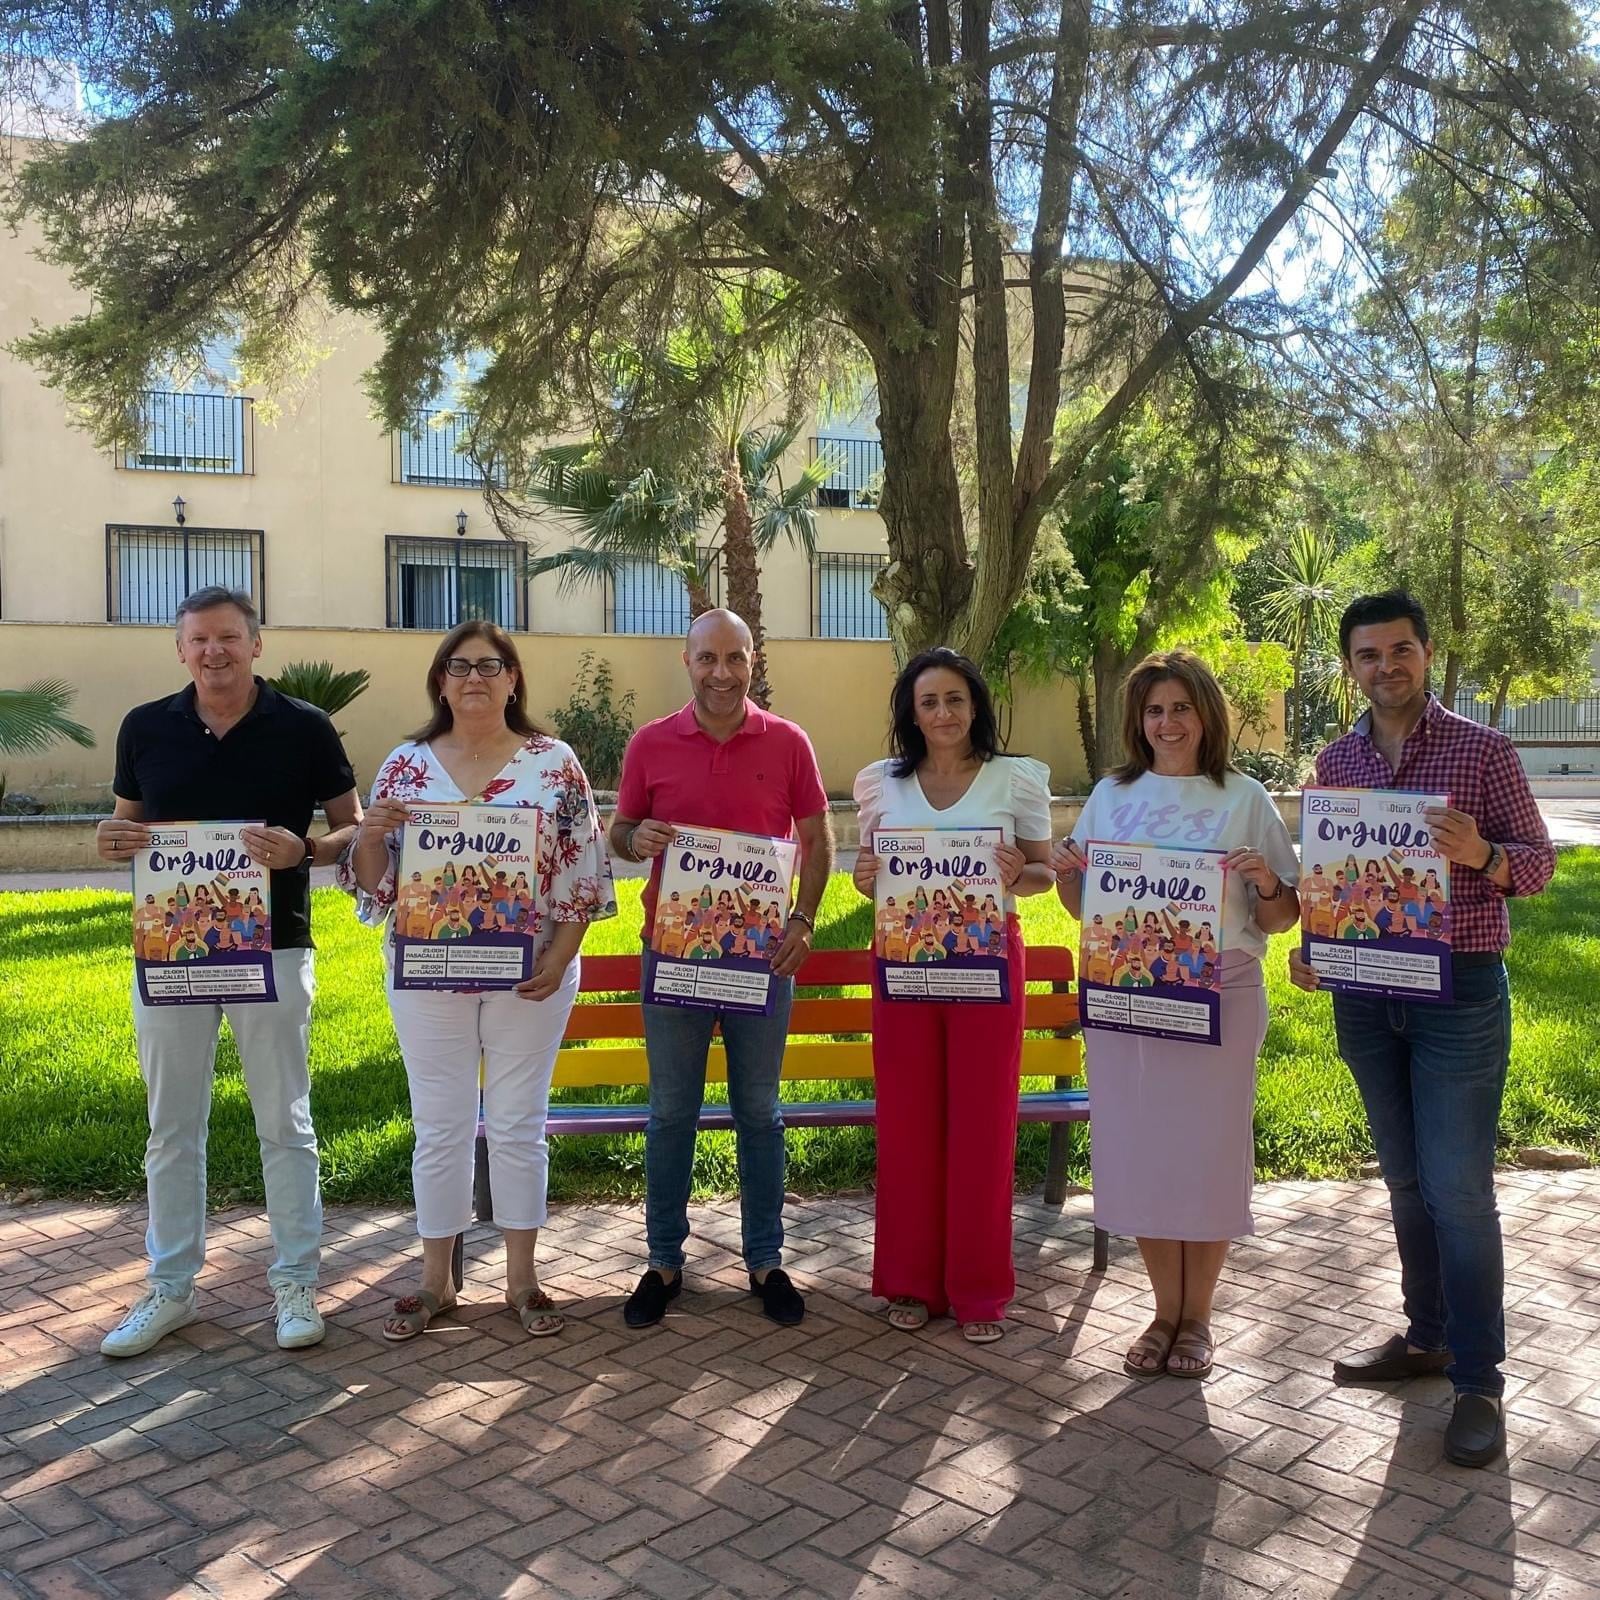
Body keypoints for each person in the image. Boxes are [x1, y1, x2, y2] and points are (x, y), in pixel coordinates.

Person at [1290, 590, 1556, 1467]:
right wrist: (1313, 946)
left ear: (1427, 653)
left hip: (1460, 995)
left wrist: (1482, 855)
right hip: (1366, 995)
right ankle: (1427, 1338)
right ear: (1350, 668)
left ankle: (1479, 1381)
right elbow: (1331, 885)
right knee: (1405, 1182)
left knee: (1460, 1191)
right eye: (1368, 655)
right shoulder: (1335, 763)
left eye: (1400, 650)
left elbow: (1543, 864)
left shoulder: (1485, 751)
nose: (1386, 667)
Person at [96, 586, 361, 1357]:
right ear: (181, 650)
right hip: (172, 950)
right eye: (199, 640)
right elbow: (127, 823)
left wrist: (307, 850)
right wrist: (112, 837)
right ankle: (170, 1287)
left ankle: (294, 1283)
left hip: (274, 945)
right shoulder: (146, 726)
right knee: (171, 1125)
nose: (214, 652)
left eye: (228, 639)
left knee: (285, 1119)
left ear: (256, 645)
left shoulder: (304, 726)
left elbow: (353, 826)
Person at [344, 621, 616, 1342]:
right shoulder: (405, 766)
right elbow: (377, 888)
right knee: (440, 1123)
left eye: (490, 666)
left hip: (528, 970)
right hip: (428, 971)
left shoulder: (554, 764)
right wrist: (371, 834)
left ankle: (523, 1278)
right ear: (439, 681)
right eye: (459, 667)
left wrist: (560, 958)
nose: (474, 678)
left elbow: (583, 870)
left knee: (520, 1121)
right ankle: (435, 1280)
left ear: (513, 679)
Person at [1053, 650, 1300, 1380]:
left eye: (1181, 709)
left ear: (1206, 716)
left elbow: (1283, 917)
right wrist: (1072, 879)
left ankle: (1199, 1319)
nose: (1168, 723)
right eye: (1155, 711)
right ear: (1139, 721)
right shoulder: (1110, 794)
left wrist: (1262, 882)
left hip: (1220, 992)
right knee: (1145, 1153)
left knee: (1208, 1152)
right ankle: (1163, 1312)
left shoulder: (1244, 796)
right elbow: (1081, 909)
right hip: (1129, 996)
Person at [611, 609, 834, 1329]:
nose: (721, 673)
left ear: (751, 661)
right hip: (672, 957)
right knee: (670, 1113)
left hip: (760, 960)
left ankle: (766, 1259)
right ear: (687, 661)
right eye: (707, 658)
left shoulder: (789, 742)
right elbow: (619, 831)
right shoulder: (650, 743)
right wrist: (634, 836)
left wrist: (803, 919)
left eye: (734, 658)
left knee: (759, 1114)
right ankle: (664, 1261)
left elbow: (819, 838)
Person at [852, 647, 1054, 1344]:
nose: (943, 713)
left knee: (983, 1127)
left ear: (977, 708)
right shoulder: (881, 783)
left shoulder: (1014, 778)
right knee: (907, 1125)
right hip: (905, 970)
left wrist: (1016, 869)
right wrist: (863, 874)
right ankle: (908, 1281)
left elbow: (1042, 875)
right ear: (912, 712)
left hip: (987, 970)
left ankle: (979, 1289)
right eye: (929, 702)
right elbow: (866, 881)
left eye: (955, 701)